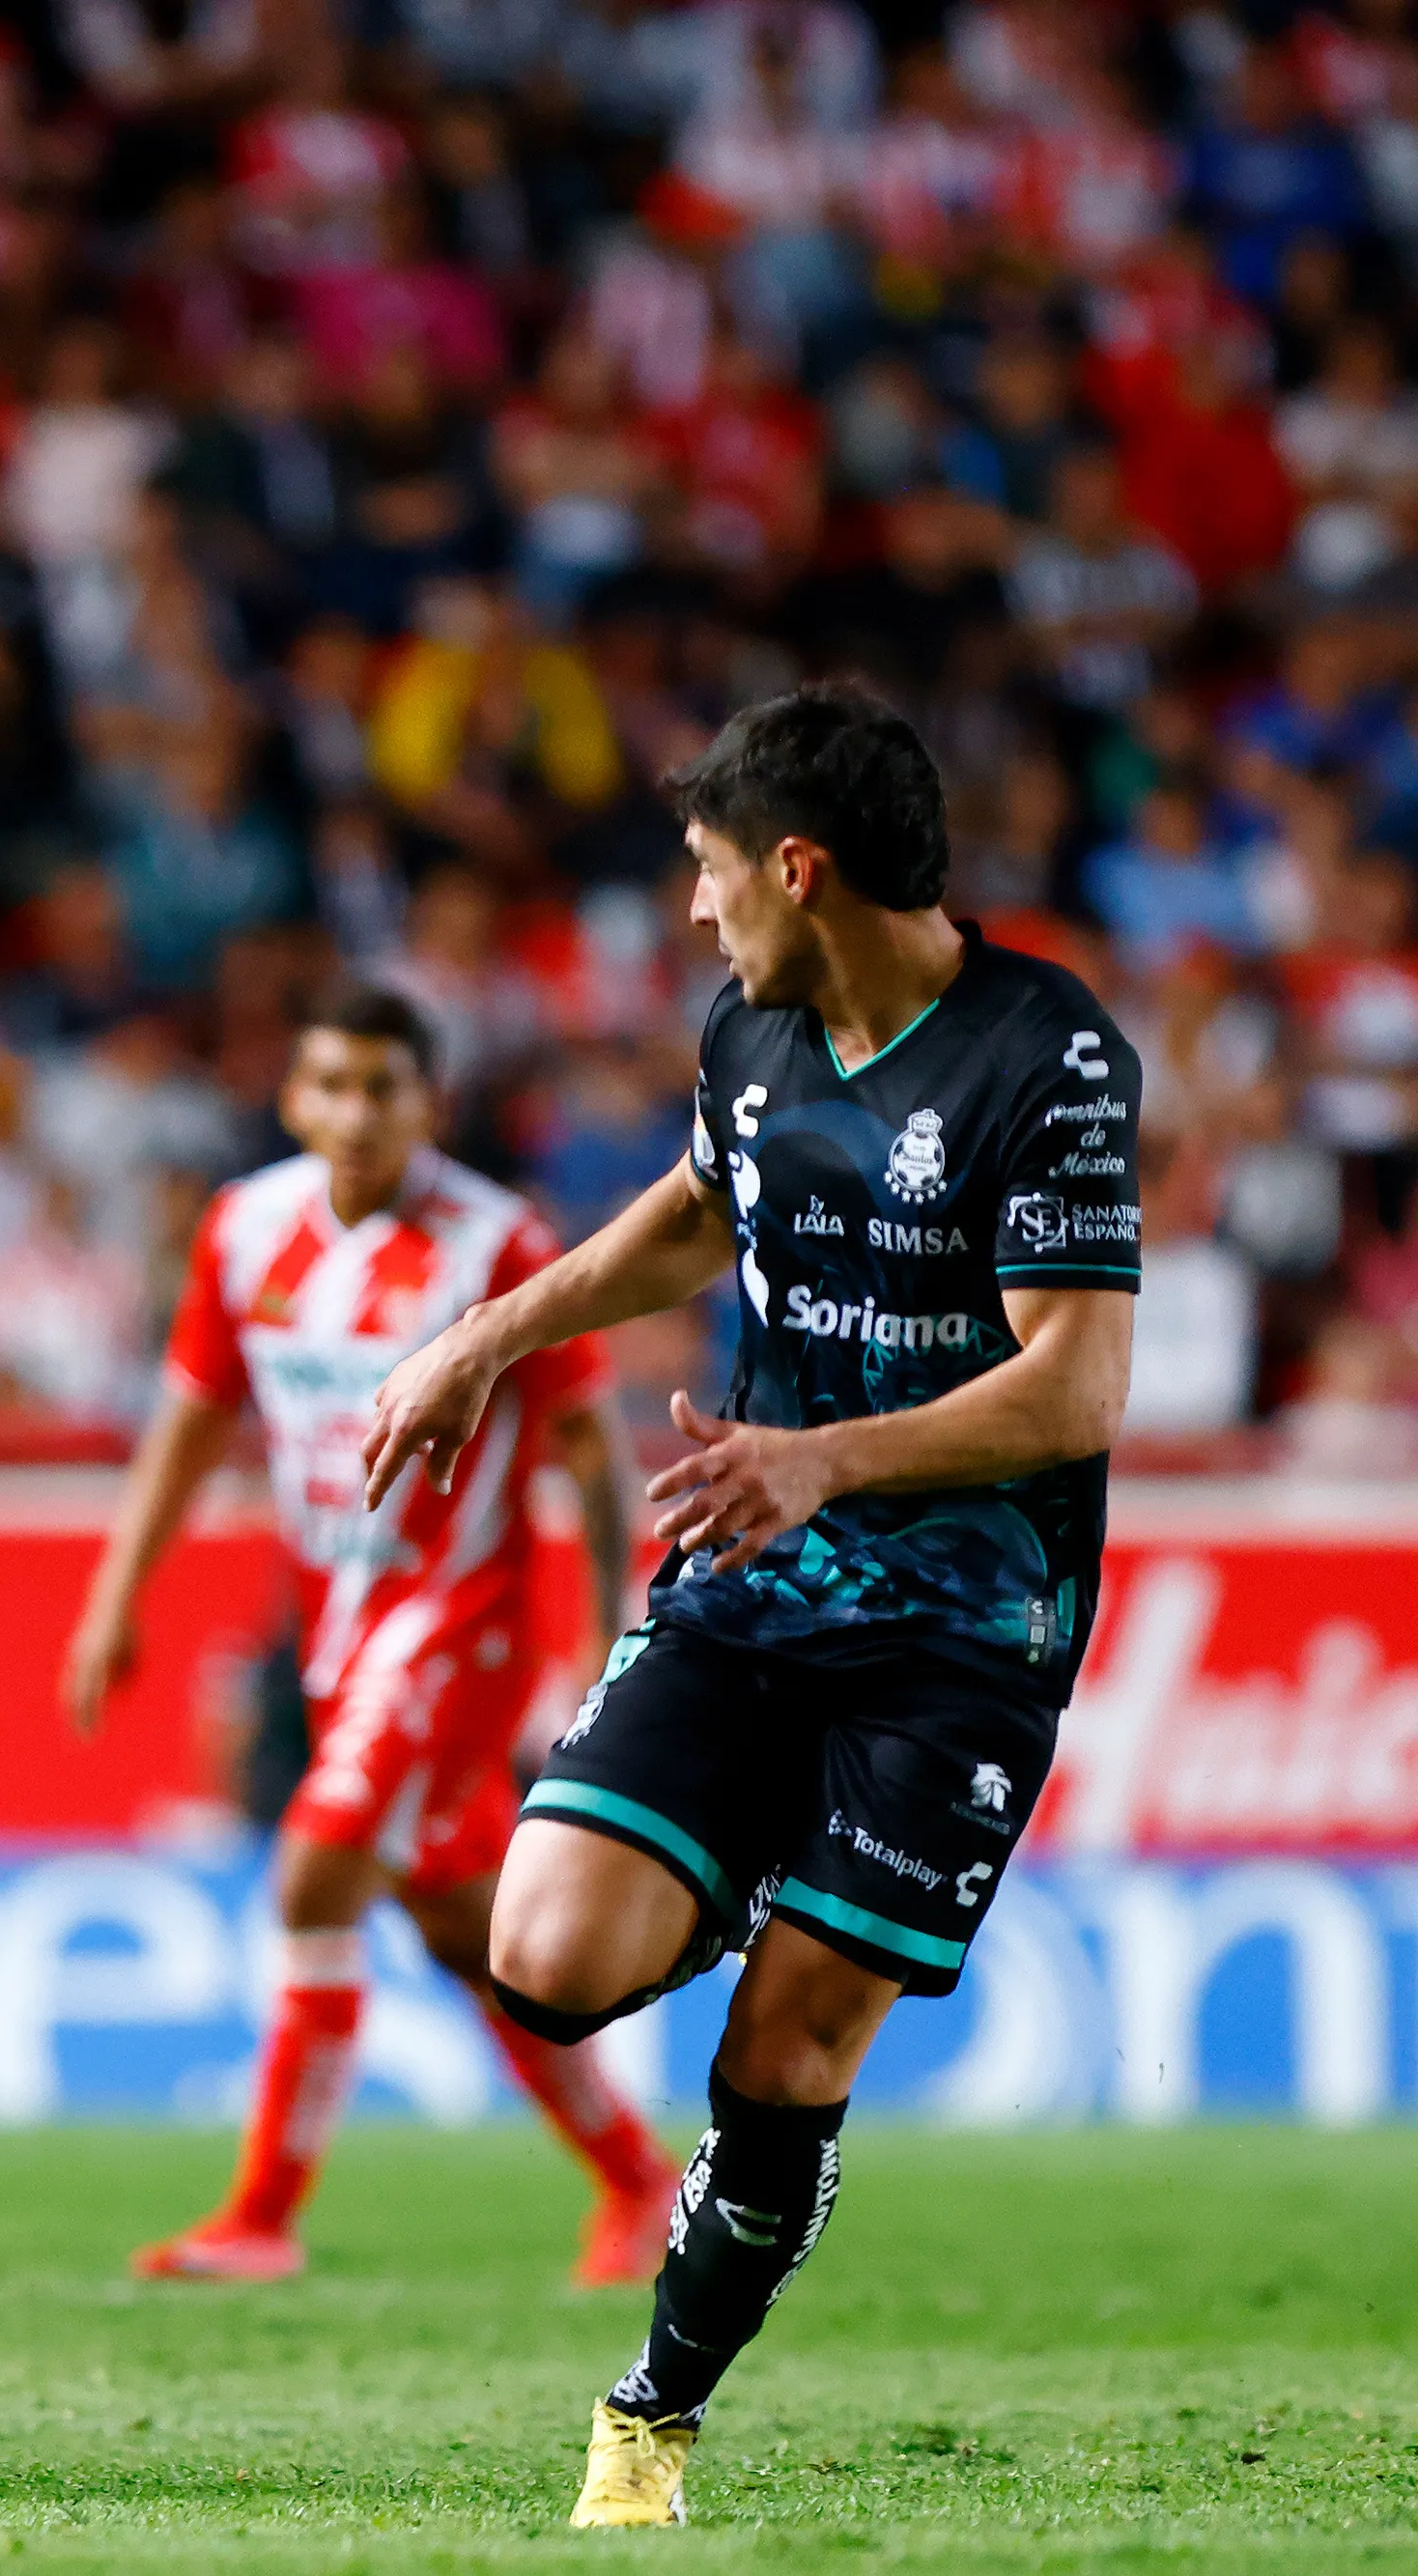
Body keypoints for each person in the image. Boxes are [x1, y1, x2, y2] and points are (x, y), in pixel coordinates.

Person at [362, 685, 1138, 2528]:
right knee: (543, 1961)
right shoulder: (755, 1032)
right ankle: (766, 1884)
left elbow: (1076, 1389)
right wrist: (490, 1331)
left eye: (713, 875)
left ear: (800, 868)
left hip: (966, 1631)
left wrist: (828, 1456)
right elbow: (708, 1214)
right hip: (751, 1583)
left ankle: (651, 2422)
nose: (694, 914)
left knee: (778, 2054)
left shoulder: (1048, 1054)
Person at [61, 984, 674, 2288]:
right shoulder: (246, 1229)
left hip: (462, 1620)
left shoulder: (496, 1244)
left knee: (316, 1868)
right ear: (292, 1096)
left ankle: (260, 2215)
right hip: (336, 1626)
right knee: (463, 1927)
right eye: (328, 1085)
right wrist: (120, 1595)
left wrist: (610, 1625)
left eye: (380, 1088)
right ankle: (641, 2184)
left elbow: (586, 1440)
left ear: (428, 1103)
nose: (352, 1113)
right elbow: (189, 1417)